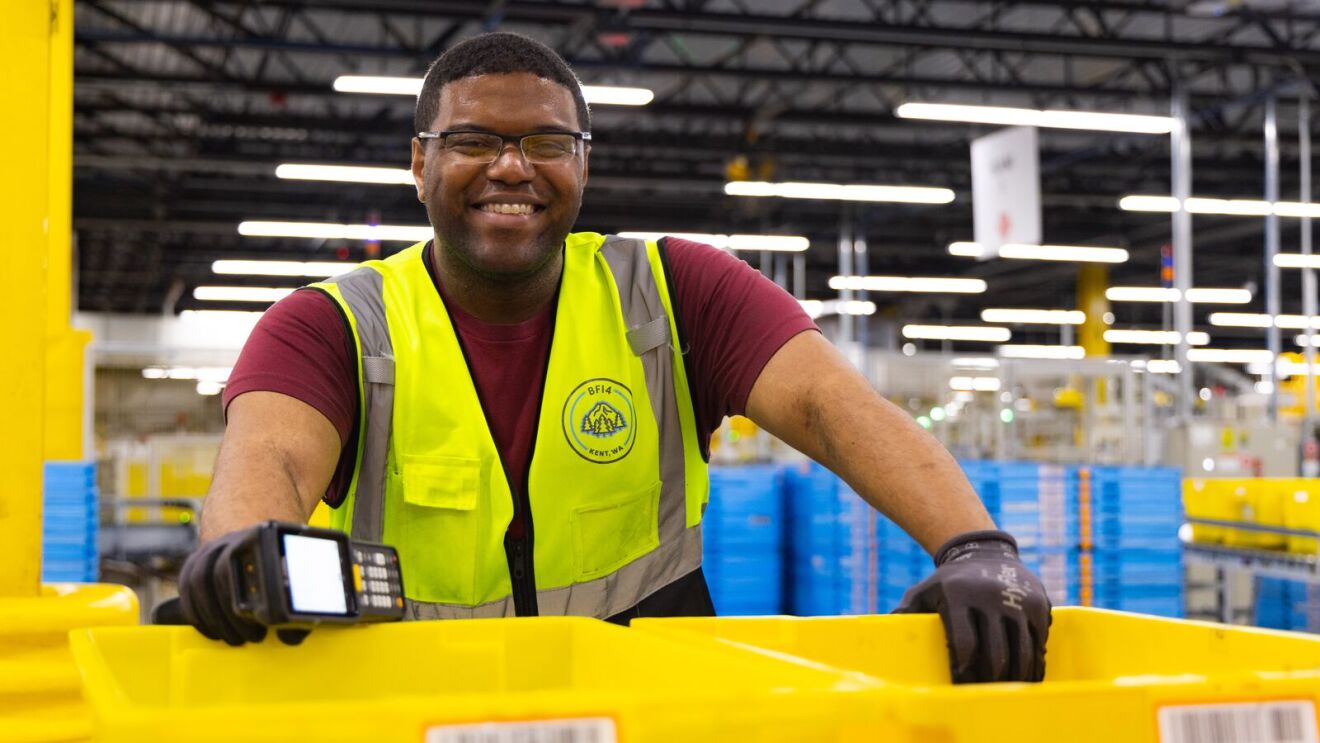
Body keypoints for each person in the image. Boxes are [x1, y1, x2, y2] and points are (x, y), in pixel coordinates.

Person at [179, 31, 1050, 684]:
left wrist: (974, 545)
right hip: (416, 706)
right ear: (419, 163)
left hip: (652, 708)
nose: (513, 167)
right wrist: (244, 554)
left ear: (584, 166)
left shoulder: (677, 292)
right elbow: (271, 456)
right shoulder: (332, 324)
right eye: (475, 140)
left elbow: (827, 401)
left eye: (548, 144)